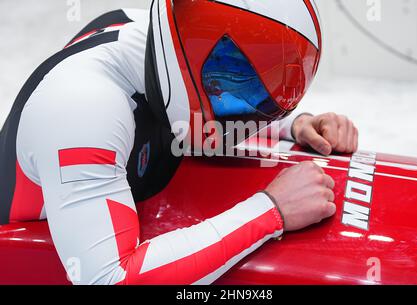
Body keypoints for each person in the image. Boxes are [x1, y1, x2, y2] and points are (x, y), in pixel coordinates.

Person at [0, 1, 358, 285]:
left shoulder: (146, 30)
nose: (245, 104)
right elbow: (108, 278)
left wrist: (295, 124)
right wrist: (271, 210)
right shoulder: (80, 108)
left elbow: (200, 95)